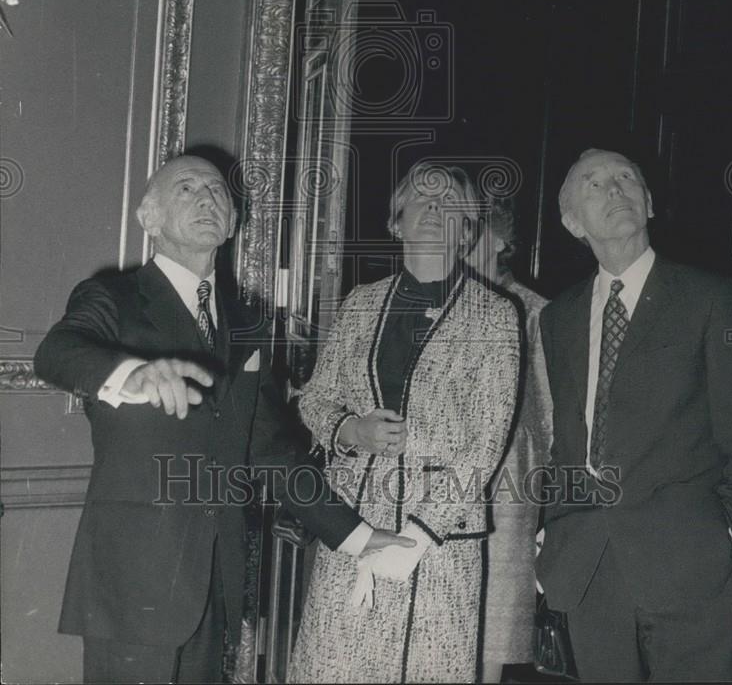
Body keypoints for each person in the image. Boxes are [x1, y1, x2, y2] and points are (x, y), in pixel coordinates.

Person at [34, 155, 411, 685]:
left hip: (216, 576)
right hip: (134, 577)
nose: (206, 198)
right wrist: (131, 374)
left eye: (216, 191)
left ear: (233, 223)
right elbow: (56, 351)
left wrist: (355, 536)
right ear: (150, 218)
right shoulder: (112, 297)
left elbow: (271, 451)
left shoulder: (248, 322)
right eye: (186, 188)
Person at [287, 160, 521, 684]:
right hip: (352, 527)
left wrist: (417, 535)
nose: (435, 209)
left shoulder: (496, 316)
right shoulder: (359, 304)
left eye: (451, 204)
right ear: (396, 221)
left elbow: (487, 443)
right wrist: (352, 430)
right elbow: (315, 399)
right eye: (422, 197)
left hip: (440, 539)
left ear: (467, 230)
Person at [537, 148, 732, 682]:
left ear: (648, 202)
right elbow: (568, 438)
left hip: (690, 562)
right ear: (571, 222)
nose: (614, 189)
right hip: (588, 566)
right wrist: (555, 530)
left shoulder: (710, 299)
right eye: (594, 183)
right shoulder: (558, 317)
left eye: (626, 178)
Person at [462, 194, 552, 683]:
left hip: (505, 503)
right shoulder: (431, 304)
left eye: (472, 228)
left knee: (486, 647)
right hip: (434, 498)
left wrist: (547, 522)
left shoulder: (536, 314)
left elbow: (552, 424)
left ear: (500, 240)